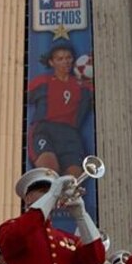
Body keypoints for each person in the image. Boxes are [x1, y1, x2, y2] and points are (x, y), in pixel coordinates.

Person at [26, 39, 93, 177]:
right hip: (45, 130)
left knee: (72, 181)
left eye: (68, 58)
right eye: (60, 58)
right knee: (50, 172)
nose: (65, 62)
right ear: (51, 62)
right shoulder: (41, 82)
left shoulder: (84, 87)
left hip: (70, 135)